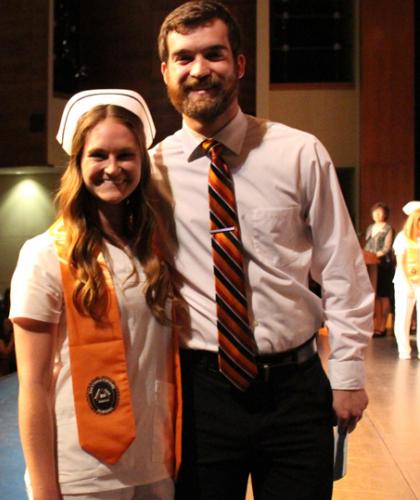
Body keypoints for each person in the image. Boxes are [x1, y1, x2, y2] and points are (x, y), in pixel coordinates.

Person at [152, 2, 373, 499]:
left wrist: (349, 373)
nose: (200, 70)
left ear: (240, 64)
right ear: (166, 71)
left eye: (214, 54)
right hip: (201, 393)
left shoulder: (299, 152)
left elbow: (341, 267)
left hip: (295, 392)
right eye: (184, 58)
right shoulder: (152, 170)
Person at [10, 90, 180, 500]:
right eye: (98, 155)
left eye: (125, 155)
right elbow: (34, 386)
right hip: (82, 474)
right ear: (78, 164)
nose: (113, 168)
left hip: (155, 465)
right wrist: (45, 490)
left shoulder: (156, 252)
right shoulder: (45, 254)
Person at [392, 201, 420, 360]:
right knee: (403, 316)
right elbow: (400, 262)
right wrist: (409, 283)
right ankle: (404, 350)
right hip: (404, 281)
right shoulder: (402, 237)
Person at [364, 202, 394, 337]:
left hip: (383, 265)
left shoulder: (388, 228)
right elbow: (367, 245)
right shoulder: (370, 227)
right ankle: (375, 324)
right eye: (375, 212)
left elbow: (387, 248)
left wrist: (375, 255)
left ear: (385, 214)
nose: (377, 214)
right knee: (374, 295)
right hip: (371, 265)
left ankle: (383, 325)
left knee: (383, 295)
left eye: (380, 212)